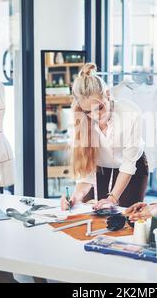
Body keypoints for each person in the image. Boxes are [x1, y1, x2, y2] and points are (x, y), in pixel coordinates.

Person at [60, 63, 149, 210]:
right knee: (91, 212)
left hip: (132, 168)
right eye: (88, 111)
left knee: (127, 218)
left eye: (100, 107)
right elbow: (86, 171)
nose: (95, 116)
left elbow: (128, 165)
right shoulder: (80, 120)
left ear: (108, 95)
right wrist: (75, 197)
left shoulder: (131, 113)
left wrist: (112, 198)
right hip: (100, 169)